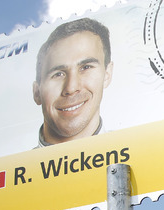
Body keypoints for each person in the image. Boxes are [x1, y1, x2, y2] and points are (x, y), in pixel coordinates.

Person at [33, 18, 113, 147]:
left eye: (86, 67)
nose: (71, 88)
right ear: (37, 93)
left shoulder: (140, 151)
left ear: (107, 74)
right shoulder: (14, 167)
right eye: (58, 74)